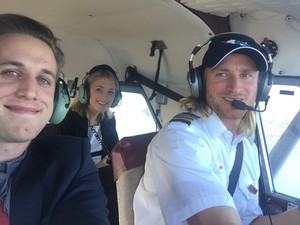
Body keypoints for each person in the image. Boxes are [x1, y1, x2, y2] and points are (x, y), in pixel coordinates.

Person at [133, 32, 300, 225]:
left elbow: (249, 221)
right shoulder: (180, 140)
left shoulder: (246, 146)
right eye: (222, 73)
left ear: (262, 86)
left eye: (246, 75)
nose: (235, 87)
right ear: (200, 83)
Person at [0, 13, 110, 225]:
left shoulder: (70, 162)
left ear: (57, 98)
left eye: (43, 79)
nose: (31, 91)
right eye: (11, 72)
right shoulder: (73, 125)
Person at [54, 64, 122, 225]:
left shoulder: (109, 121)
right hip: (77, 178)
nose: (105, 97)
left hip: (104, 175)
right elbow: (62, 161)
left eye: (111, 92)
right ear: (85, 91)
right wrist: (94, 167)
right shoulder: (69, 119)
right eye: (99, 89)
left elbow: (115, 150)